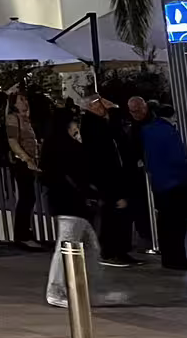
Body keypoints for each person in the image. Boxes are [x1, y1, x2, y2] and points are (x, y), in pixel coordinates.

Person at [43, 101, 126, 306]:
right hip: (70, 204)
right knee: (69, 246)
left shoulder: (57, 144)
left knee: (88, 247)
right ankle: (57, 291)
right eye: (74, 122)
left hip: (73, 204)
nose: (76, 126)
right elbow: (77, 173)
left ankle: (87, 290)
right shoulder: (65, 146)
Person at [131, 97, 187, 270]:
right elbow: (178, 157)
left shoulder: (146, 131)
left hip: (159, 183)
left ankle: (168, 259)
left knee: (165, 223)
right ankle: (179, 259)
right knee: (177, 224)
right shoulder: (169, 131)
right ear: (171, 116)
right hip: (177, 182)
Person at [81, 95, 139, 266]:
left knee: (122, 215)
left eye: (101, 104)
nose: (101, 108)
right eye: (96, 105)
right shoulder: (93, 126)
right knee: (110, 215)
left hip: (117, 175)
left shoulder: (106, 124)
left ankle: (120, 250)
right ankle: (109, 252)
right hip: (106, 178)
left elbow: (119, 139)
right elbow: (101, 158)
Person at [0, 87, 44, 250]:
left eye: (25, 99)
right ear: (14, 104)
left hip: (29, 161)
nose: (25, 102)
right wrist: (26, 158)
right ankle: (22, 235)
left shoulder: (25, 119)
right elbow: (13, 140)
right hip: (21, 162)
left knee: (29, 197)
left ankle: (25, 233)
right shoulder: (13, 118)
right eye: (21, 100)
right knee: (26, 197)